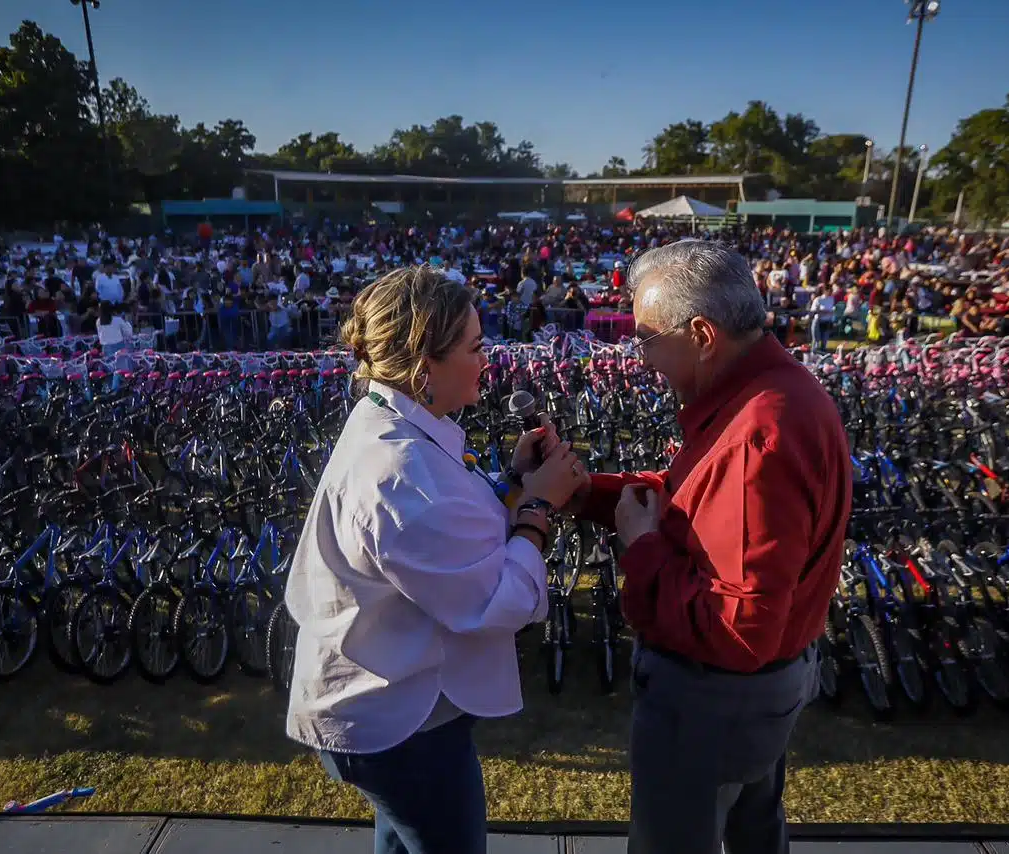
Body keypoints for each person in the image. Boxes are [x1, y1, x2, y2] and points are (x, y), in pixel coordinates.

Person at [284, 266, 586, 854]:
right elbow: (500, 603)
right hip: (403, 727)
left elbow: (450, 532)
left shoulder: (396, 425)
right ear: (425, 365)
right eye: (474, 347)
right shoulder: (402, 476)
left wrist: (514, 484)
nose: (486, 359)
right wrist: (541, 507)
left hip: (390, 709)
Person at [562, 241, 850, 854]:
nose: (640, 359)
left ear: (701, 333)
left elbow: (740, 629)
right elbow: (691, 497)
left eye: (646, 338)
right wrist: (583, 492)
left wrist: (641, 551)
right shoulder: (773, 391)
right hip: (752, 698)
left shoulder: (757, 434)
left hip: (713, 701)